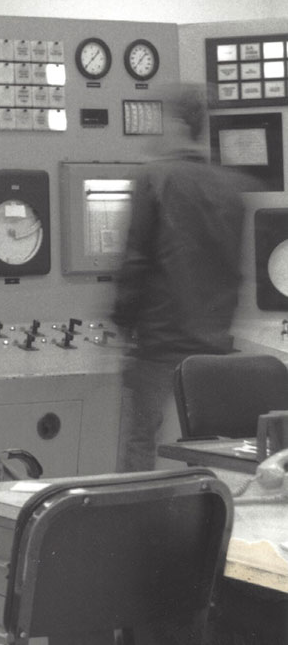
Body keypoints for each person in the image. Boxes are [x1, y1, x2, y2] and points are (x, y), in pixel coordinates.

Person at [112, 83, 246, 472]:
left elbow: (135, 262)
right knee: (207, 448)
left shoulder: (154, 178)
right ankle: (205, 521)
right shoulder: (231, 187)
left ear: (176, 123)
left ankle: (134, 522)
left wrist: (122, 325)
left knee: (140, 442)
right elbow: (235, 270)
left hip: (159, 340)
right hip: (212, 345)